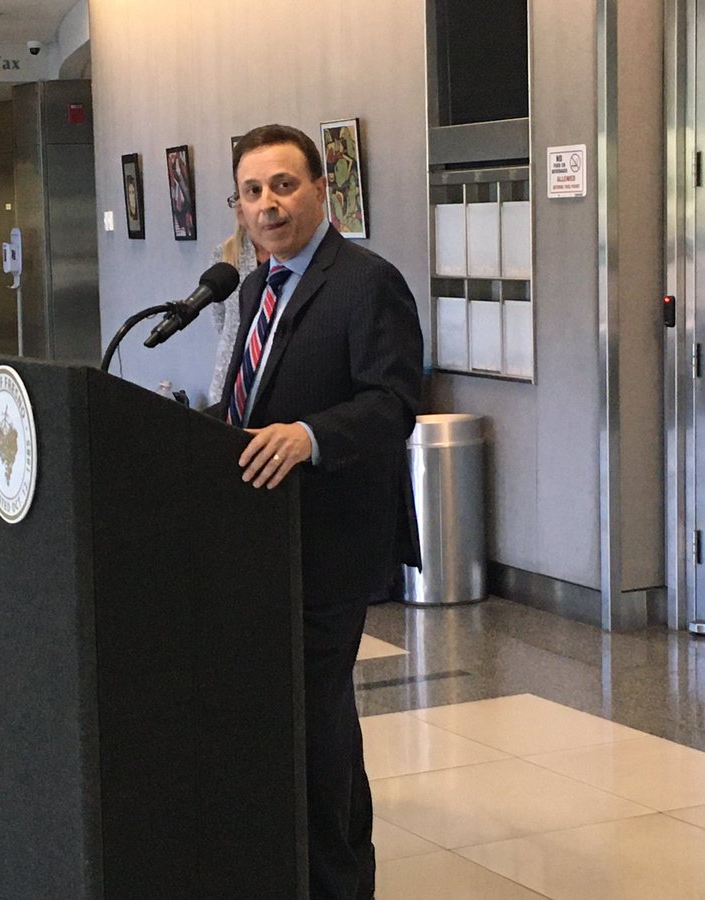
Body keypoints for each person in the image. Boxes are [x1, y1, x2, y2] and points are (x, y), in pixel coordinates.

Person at [216, 124, 423, 900]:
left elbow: (394, 402)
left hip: (332, 542)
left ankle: (338, 882)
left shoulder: (367, 282)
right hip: (264, 541)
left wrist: (308, 436)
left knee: (314, 724)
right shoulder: (251, 289)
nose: (267, 204)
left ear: (320, 190)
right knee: (309, 722)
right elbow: (246, 406)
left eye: (283, 185)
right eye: (252, 191)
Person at [208, 196, 269, 402]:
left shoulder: (288, 255)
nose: (241, 205)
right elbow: (219, 319)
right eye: (239, 196)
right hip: (231, 376)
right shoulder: (225, 253)